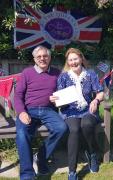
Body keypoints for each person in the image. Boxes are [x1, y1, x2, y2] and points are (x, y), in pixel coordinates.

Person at [14, 45, 67, 180]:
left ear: (49, 57)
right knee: (22, 134)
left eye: (45, 56)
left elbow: (62, 94)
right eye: (39, 56)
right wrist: (21, 112)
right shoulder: (27, 73)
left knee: (62, 128)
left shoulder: (57, 73)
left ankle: (41, 157)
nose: (42, 58)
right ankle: (27, 174)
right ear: (34, 59)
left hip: (48, 110)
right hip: (29, 110)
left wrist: (58, 100)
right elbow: (18, 95)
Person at [55, 48, 104, 180]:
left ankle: (92, 153)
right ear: (68, 62)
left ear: (81, 59)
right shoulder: (63, 77)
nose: (73, 62)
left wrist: (96, 100)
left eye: (75, 59)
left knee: (87, 124)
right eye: (70, 60)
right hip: (70, 111)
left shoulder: (90, 74)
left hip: (88, 109)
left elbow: (100, 91)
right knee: (75, 130)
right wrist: (56, 99)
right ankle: (72, 171)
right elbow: (60, 97)